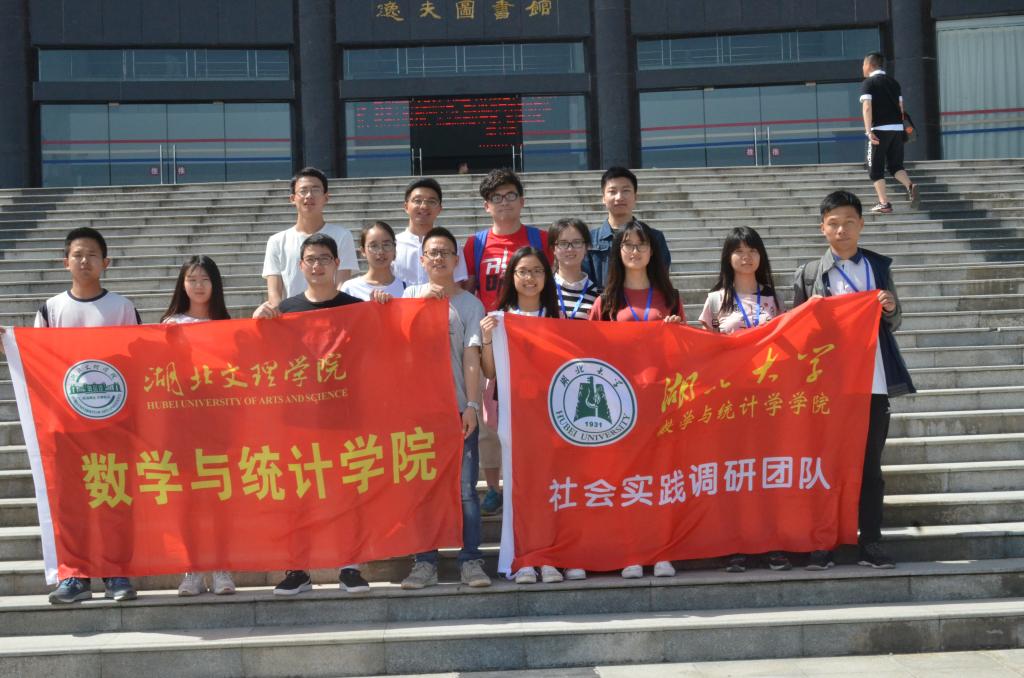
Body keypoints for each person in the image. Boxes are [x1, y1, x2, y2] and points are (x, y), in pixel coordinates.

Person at [793, 190, 916, 571]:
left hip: (873, 383)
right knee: (824, 465)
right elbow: (796, 332)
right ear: (822, 228)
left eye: (849, 222)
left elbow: (894, 320)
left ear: (861, 224)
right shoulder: (810, 274)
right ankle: (823, 541)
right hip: (829, 387)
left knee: (869, 467)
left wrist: (890, 307)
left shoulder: (877, 266)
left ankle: (871, 541)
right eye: (833, 223)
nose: (841, 229)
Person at [253, 233, 370, 595]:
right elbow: (263, 362)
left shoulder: (356, 308)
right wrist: (257, 324)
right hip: (298, 419)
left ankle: (350, 566)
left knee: (347, 493)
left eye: (324, 259)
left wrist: (383, 307)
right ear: (300, 266)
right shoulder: (286, 310)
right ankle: (297, 569)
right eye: (311, 260)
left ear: (337, 264)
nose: (317, 266)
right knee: (298, 494)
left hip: (344, 416)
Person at [37, 227, 141, 604]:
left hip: (114, 422)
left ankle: (116, 573)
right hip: (66, 425)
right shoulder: (50, 309)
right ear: (65, 262)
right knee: (71, 503)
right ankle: (75, 576)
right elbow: (38, 363)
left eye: (92, 254)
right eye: (78, 255)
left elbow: (138, 360)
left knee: (114, 496)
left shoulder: (122, 308)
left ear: (105, 262)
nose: (85, 261)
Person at [398, 227, 491, 590]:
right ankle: (424, 563)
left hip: (457, 410)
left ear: (456, 260)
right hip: (418, 415)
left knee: (466, 490)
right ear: (422, 260)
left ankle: (471, 561)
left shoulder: (470, 304)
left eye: (445, 253)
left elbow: (472, 357)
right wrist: (417, 305)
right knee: (423, 491)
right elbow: (395, 346)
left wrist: (472, 405)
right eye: (432, 253)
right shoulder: (409, 296)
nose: (438, 258)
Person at [589, 220, 683, 579]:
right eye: (627, 244)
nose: (634, 251)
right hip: (620, 406)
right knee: (626, 481)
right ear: (618, 251)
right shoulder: (606, 301)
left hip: (660, 402)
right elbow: (592, 353)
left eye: (641, 245)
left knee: (660, 480)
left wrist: (677, 332)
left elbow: (685, 351)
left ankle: (661, 551)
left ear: (652, 251)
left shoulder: (669, 296)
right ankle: (630, 550)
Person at [698, 227, 790, 573]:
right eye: (738, 251)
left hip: (767, 401)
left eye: (752, 250)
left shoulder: (773, 300)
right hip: (730, 403)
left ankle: (771, 542)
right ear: (728, 257)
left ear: (761, 255)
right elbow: (704, 351)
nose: (746, 256)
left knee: (766, 472)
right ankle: (734, 544)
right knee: (733, 474)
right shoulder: (715, 300)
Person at [463, 169, 549, 518]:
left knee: (533, 416)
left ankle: (531, 480)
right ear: (486, 206)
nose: (504, 203)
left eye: (510, 195)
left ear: (522, 201)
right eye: (496, 198)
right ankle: (494, 489)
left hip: (533, 338)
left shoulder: (540, 239)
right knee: (489, 419)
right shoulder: (476, 244)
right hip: (491, 338)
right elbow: (469, 288)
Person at [479, 246, 562, 585]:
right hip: (514, 415)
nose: (530, 278)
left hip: (551, 416)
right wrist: (487, 339)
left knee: (548, 487)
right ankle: (522, 557)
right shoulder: (499, 318)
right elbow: (489, 371)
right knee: (518, 487)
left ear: (547, 277)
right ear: (512, 277)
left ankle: (549, 555)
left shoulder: (557, 319)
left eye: (537, 271)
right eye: (523, 271)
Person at [160, 255, 237, 596]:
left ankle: (221, 567)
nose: (198, 285)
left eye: (205, 279)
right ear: (183, 284)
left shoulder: (226, 324)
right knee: (188, 501)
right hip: (182, 425)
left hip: (219, 424)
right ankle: (192, 569)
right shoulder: (170, 324)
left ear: (215, 284)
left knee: (219, 499)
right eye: (192, 279)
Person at [262, 167, 358, 307]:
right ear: (293, 198)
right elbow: (274, 294)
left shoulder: (342, 236)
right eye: (303, 191)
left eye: (315, 190)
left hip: (331, 315)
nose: (309, 195)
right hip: (293, 315)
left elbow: (341, 285)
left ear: (326, 197)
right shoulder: (276, 241)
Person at [584, 167, 671, 289]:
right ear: (603, 198)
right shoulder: (590, 240)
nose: (619, 197)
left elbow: (660, 279)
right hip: (603, 300)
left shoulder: (654, 237)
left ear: (635, 196)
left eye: (625, 190)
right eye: (612, 191)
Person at [860, 52, 920, 214]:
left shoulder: (868, 83)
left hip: (879, 130)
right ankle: (910, 185)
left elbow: (867, 107)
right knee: (895, 165)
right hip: (897, 129)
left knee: (875, 169)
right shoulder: (894, 83)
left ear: (870, 65)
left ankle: (884, 203)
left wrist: (868, 132)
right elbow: (901, 107)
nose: (862, 68)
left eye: (863, 64)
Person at [393, 178, 469, 287]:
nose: (424, 206)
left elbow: (457, 286)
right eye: (417, 201)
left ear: (440, 209)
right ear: (406, 207)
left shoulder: (452, 245)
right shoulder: (393, 245)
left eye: (431, 202)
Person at [549, 218, 601, 321]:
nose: (570, 249)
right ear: (553, 248)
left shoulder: (598, 295)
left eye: (577, 242)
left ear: (586, 247)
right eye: (563, 243)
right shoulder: (543, 289)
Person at [341, 221, 407, 301]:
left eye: (386, 245)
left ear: (394, 248)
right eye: (374, 246)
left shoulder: (406, 289)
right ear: (363, 251)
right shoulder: (350, 289)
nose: (381, 251)